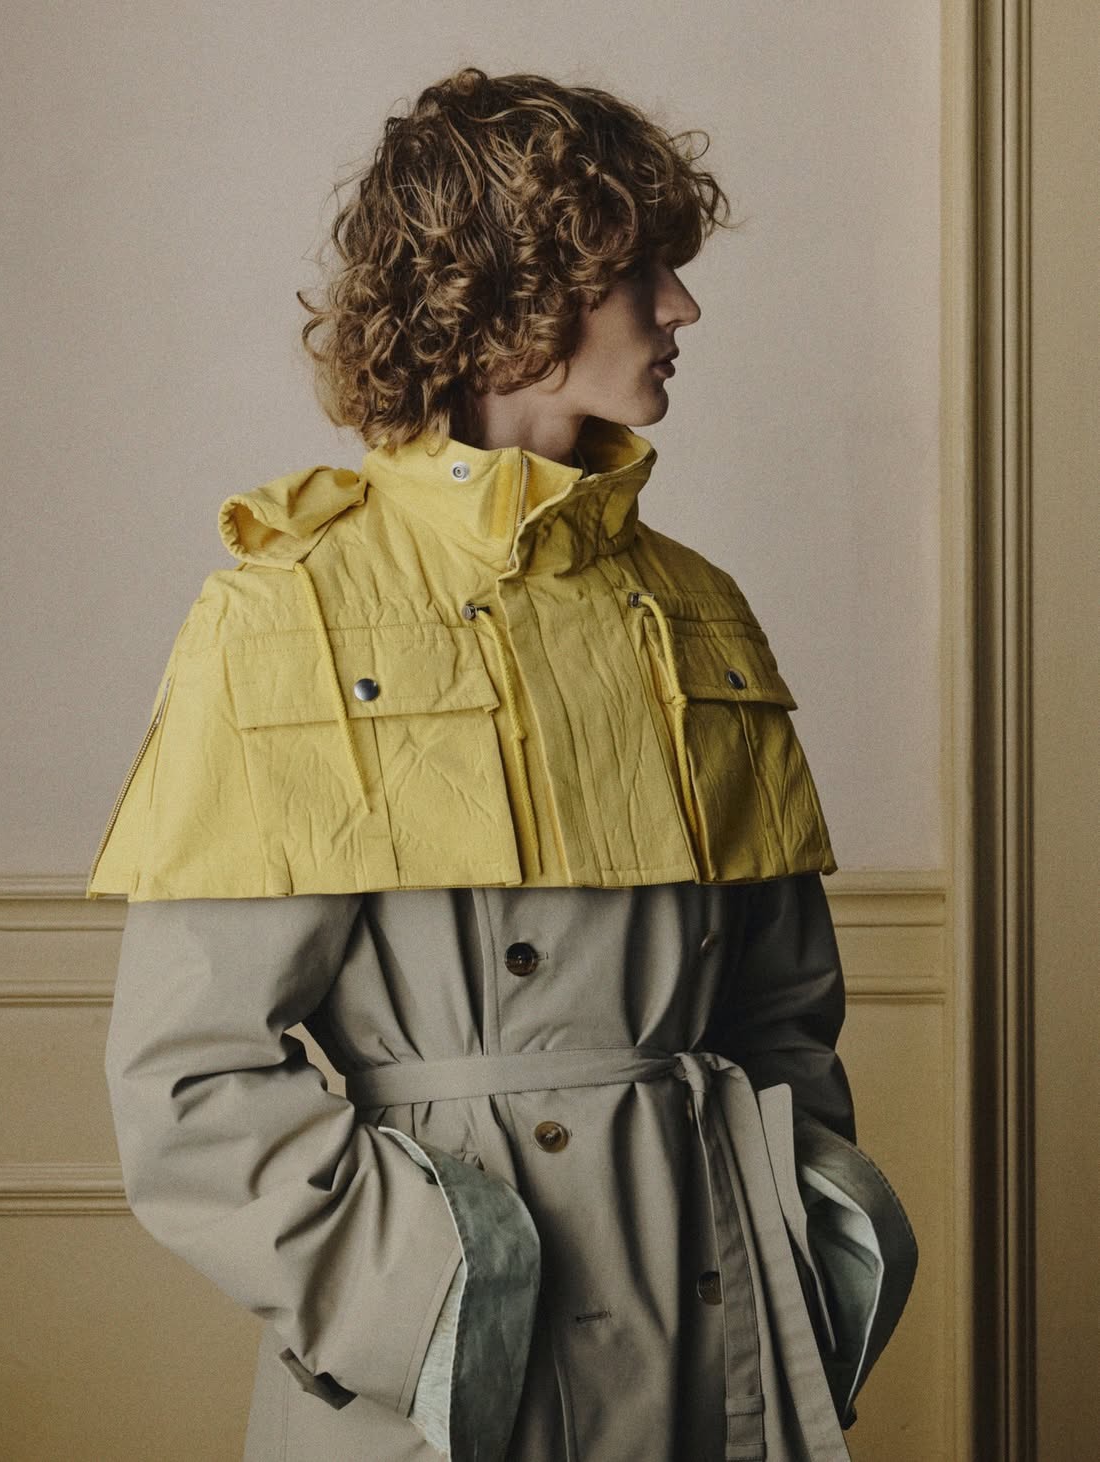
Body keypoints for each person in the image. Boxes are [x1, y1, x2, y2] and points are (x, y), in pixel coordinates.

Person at [90, 66, 916, 1461]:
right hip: (451, 1366)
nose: (681, 307)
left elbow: (782, 1018)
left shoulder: (696, 605)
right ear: (511, 293)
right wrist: (439, 1297)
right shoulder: (288, 607)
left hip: (715, 1331)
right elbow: (191, 1081)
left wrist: (803, 1243)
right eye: (640, 272)